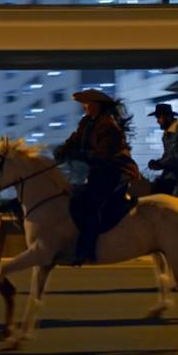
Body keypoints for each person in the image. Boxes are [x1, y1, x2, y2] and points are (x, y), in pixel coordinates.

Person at [53, 89, 140, 265]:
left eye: (87, 103)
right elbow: (75, 140)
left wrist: (81, 155)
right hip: (96, 170)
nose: (84, 107)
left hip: (114, 170)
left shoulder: (109, 126)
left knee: (92, 204)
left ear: (97, 105)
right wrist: (63, 150)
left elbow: (103, 155)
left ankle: (87, 250)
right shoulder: (86, 122)